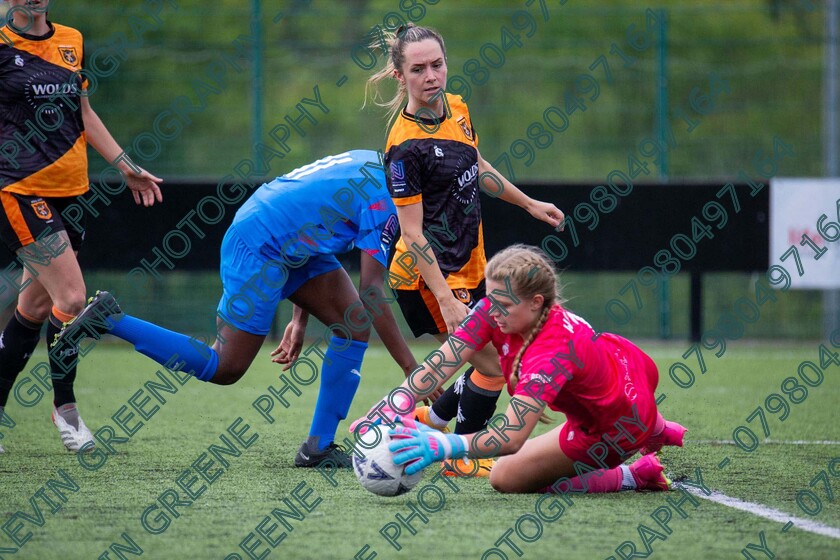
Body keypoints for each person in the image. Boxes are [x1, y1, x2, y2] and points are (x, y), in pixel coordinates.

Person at [53, 150, 420, 467]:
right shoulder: (384, 199)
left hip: (285, 236)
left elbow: (315, 220)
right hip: (259, 242)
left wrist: (299, 316)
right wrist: (412, 370)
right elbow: (371, 291)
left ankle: (318, 448)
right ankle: (110, 318)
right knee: (224, 367)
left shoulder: (377, 163)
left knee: (352, 326)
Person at [365, 23, 565, 477]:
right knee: (494, 366)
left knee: (491, 364)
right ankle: (459, 456)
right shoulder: (405, 147)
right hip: (426, 280)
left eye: (438, 65)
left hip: (471, 268)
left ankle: (427, 421)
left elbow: (476, 165)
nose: (432, 76)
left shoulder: (457, 107)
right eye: (418, 69)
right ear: (400, 76)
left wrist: (529, 203)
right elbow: (412, 235)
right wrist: (446, 301)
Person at [355, 244, 687, 494]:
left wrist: (443, 446)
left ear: (537, 302)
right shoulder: (498, 308)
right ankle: (657, 428)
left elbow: (511, 437)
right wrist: (394, 403)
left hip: (614, 427)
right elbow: (445, 359)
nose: (493, 311)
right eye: (491, 299)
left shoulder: (551, 354)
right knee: (615, 401)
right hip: (628, 368)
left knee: (505, 478)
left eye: (505, 305)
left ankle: (637, 473)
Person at [0, 0, 163, 453]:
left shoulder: (72, 40)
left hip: (72, 192)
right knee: (72, 297)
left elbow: (83, 114)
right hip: (19, 189)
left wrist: (125, 165)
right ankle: (66, 409)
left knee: (34, 309)